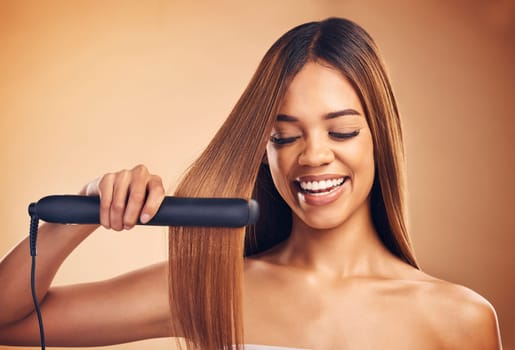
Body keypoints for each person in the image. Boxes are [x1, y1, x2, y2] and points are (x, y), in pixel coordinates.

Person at [0, 17, 502, 350]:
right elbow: (7, 322)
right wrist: (74, 218)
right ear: (264, 150)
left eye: (342, 130)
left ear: (381, 138)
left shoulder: (462, 320)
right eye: (284, 137)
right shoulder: (208, 287)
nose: (313, 155)